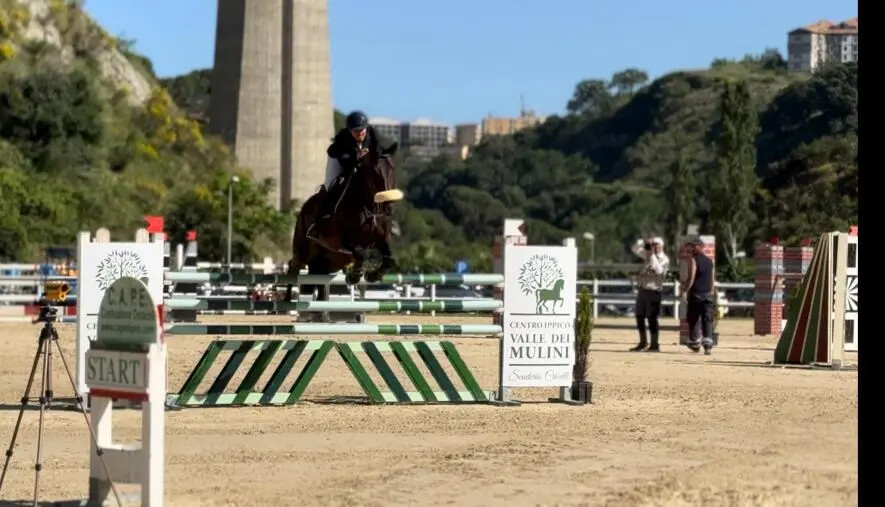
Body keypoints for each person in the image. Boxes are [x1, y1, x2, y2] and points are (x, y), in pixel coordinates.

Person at [310, 110, 382, 237]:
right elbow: (345, 161)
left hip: (362, 166)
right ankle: (320, 223)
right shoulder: (342, 141)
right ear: (350, 131)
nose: (360, 134)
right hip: (339, 160)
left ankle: (384, 219)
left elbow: (378, 153)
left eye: (362, 130)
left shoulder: (373, 137)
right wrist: (356, 156)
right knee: (331, 186)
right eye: (356, 131)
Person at [629, 237, 670, 352]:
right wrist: (643, 241)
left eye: (656, 244)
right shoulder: (647, 254)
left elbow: (658, 270)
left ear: (661, 246)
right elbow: (634, 248)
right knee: (639, 316)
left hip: (654, 290)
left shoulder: (664, 259)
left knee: (652, 318)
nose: (654, 246)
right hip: (643, 289)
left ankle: (654, 344)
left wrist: (651, 255)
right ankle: (643, 342)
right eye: (653, 244)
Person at [680, 236, 715, 354]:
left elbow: (691, 278)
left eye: (695, 246)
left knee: (694, 318)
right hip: (707, 294)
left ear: (700, 247)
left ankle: (695, 343)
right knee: (707, 318)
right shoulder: (710, 261)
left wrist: (685, 289)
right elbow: (712, 279)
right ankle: (708, 344)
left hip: (696, 293)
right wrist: (711, 291)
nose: (693, 248)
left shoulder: (693, 260)